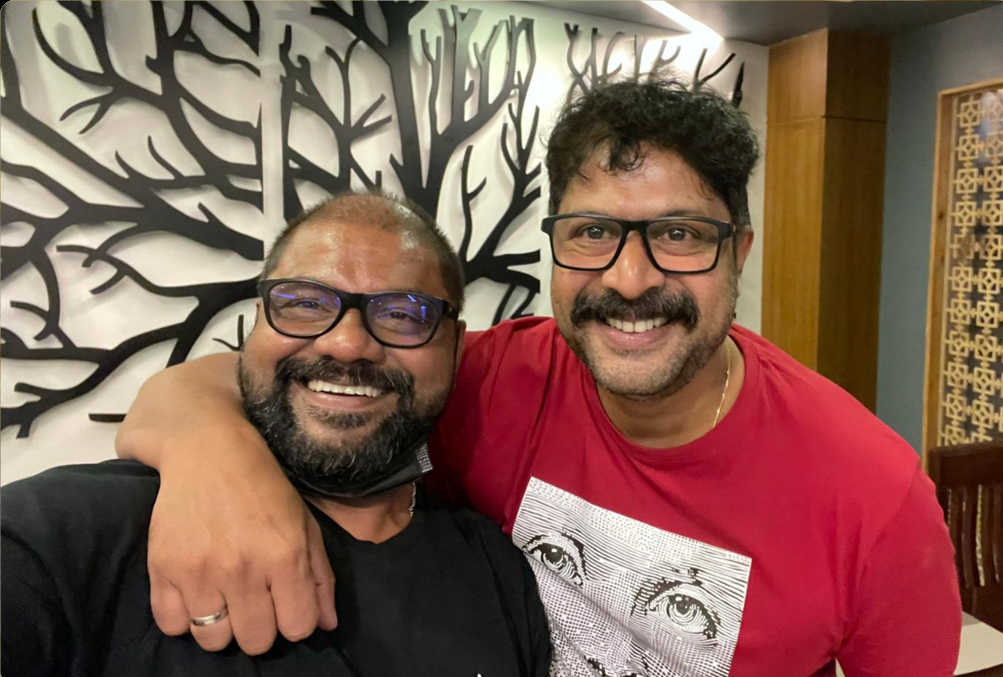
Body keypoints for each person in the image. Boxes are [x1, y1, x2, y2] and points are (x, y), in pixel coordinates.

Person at [117, 77, 961, 676]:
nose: (629, 279)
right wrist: (215, 458)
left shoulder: (874, 497)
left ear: (736, 251)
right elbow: (267, 377)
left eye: (678, 234)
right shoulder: (494, 381)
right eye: (592, 232)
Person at [0, 193, 552, 677]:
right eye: (306, 304)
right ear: (257, 321)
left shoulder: (496, 570)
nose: (346, 345)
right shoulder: (76, 533)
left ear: (456, 345)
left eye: (403, 314)